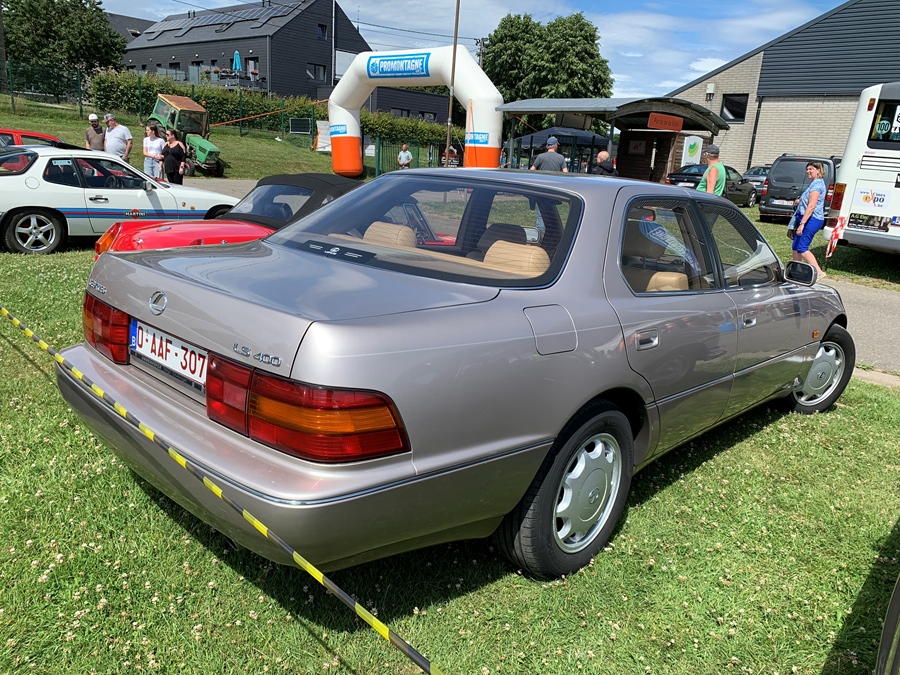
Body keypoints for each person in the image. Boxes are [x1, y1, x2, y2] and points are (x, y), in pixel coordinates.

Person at [790, 161, 828, 277]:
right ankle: (796, 272)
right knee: (796, 245)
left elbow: (811, 206)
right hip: (804, 218)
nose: (808, 171)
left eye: (811, 169)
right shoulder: (813, 184)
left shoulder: (817, 185)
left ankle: (818, 272)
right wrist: (800, 201)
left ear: (818, 170)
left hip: (812, 219)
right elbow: (808, 201)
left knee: (802, 247)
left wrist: (802, 224)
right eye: (807, 169)